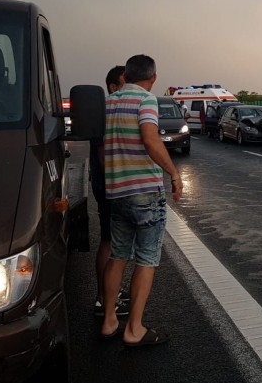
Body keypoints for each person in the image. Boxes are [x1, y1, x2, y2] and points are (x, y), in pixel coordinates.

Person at [100, 54, 183, 346]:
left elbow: (102, 146)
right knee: (146, 259)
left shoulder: (109, 102)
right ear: (153, 77)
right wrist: (173, 173)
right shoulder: (146, 100)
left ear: (126, 75)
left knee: (118, 256)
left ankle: (109, 321)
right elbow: (150, 139)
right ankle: (134, 329)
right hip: (145, 192)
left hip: (117, 192)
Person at [91, 65, 130, 317]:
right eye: (126, 85)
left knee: (115, 241)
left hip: (110, 185)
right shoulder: (105, 112)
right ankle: (104, 300)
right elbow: (104, 156)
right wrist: (116, 185)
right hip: (109, 186)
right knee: (109, 241)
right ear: (113, 87)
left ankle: (110, 292)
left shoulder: (110, 110)